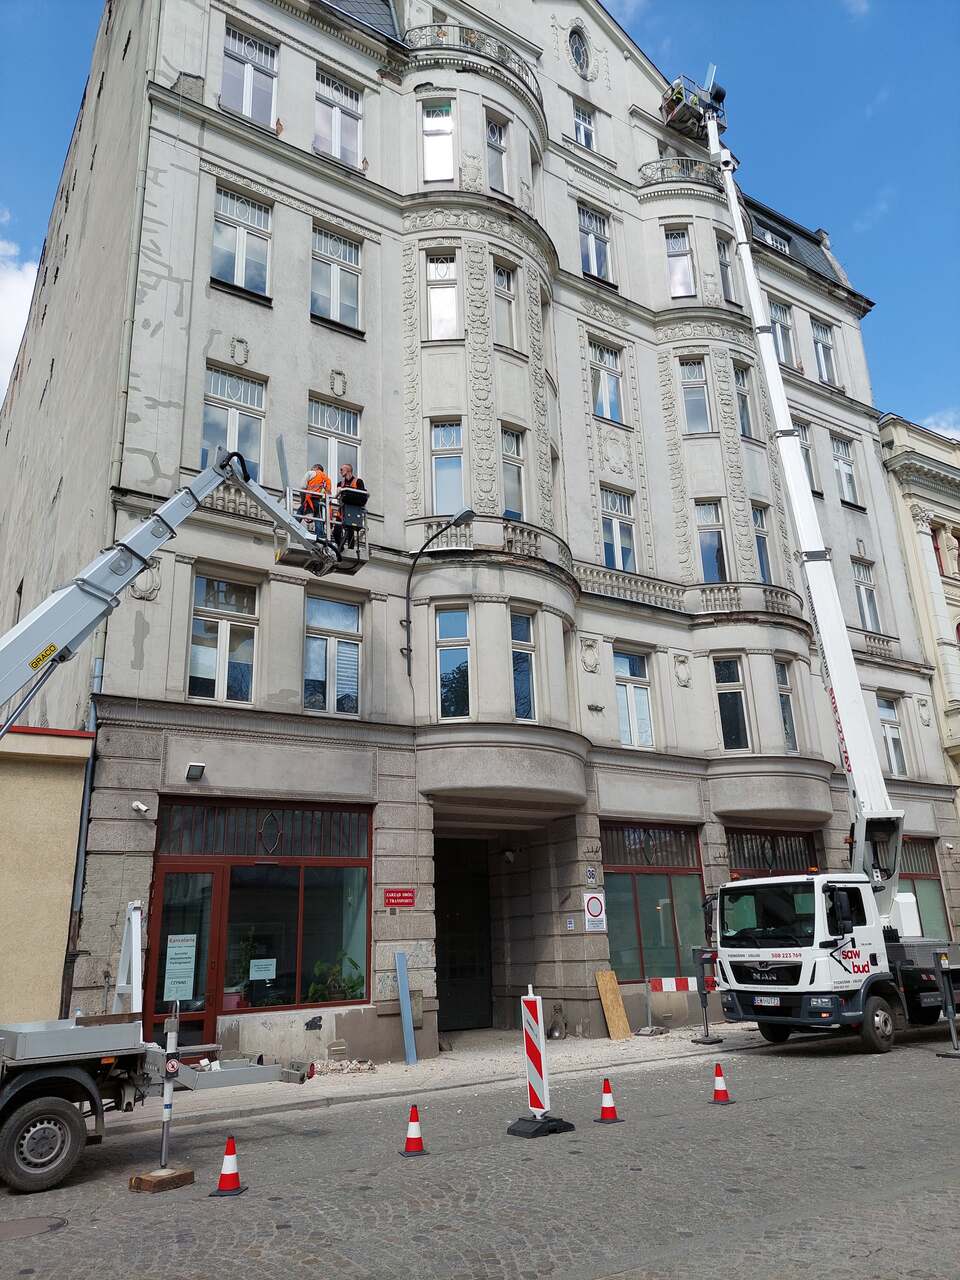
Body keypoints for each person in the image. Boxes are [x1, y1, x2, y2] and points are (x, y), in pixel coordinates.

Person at [333, 462, 366, 551]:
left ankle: (350, 549)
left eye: (341, 469)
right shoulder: (340, 483)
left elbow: (362, 496)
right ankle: (341, 548)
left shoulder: (358, 481)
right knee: (336, 531)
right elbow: (338, 496)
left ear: (348, 470)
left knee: (350, 530)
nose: (340, 471)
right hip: (342, 510)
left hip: (353, 509)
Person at [297, 461, 331, 536]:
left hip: (310, 499)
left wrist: (302, 501)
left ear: (316, 468)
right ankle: (319, 536)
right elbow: (329, 494)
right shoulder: (327, 479)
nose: (311, 469)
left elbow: (302, 487)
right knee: (318, 518)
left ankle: (293, 526)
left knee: (300, 512)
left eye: (312, 468)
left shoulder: (311, 473)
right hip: (321, 502)